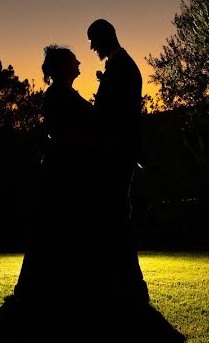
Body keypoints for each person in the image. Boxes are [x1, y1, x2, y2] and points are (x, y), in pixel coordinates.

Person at [13, 45, 94, 307]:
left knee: (58, 228)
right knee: (55, 227)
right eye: (73, 60)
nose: (79, 62)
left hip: (67, 169)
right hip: (62, 172)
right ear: (62, 67)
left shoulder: (64, 93)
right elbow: (62, 133)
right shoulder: (58, 95)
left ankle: (53, 285)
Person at [87, 18, 150, 311]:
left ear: (105, 37)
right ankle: (120, 281)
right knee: (113, 212)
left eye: (93, 40)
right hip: (119, 151)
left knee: (116, 211)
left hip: (118, 152)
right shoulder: (120, 65)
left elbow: (113, 114)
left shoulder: (122, 67)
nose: (91, 47)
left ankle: (130, 284)